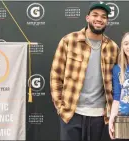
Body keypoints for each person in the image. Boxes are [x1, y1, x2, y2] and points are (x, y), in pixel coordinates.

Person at [50, 2, 119, 141]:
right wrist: (60, 106)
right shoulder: (69, 41)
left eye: (103, 17)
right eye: (95, 15)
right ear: (87, 18)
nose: (99, 19)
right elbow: (56, 76)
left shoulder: (113, 47)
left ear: (107, 21)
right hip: (72, 113)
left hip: (100, 116)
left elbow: (118, 81)